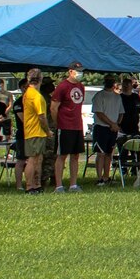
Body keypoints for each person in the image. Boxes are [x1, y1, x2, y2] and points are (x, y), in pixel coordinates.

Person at [51, 62, 87, 192]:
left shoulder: (81, 87)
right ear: (70, 71)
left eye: (81, 71)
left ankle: (73, 184)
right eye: (77, 71)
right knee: (62, 155)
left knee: (75, 155)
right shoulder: (62, 86)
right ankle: (59, 185)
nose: (79, 73)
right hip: (65, 125)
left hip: (77, 125)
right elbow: (54, 107)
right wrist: (57, 122)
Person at [20, 66, 50, 192]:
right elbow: (42, 117)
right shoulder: (37, 97)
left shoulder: (27, 94)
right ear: (41, 79)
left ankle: (36, 185)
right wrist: (48, 131)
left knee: (38, 158)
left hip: (33, 131)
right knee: (32, 159)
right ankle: (29, 186)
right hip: (35, 131)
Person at [91, 78, 125, 185]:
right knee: (100, 153)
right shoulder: (99, 96)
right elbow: (99, 113)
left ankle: (106, 177)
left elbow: (121, 112)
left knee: (109, 153)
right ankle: (99, 178)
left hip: (113, 129)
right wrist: (112, 124)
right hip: (101, 127)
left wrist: (117, 124)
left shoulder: (117, 96)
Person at [119, 77, 140, 178]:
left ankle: (135, 170)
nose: (126, 86)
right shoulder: (119, 97)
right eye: (124, 85)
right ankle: (123, 170)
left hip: (134, 128)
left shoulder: (136, 97)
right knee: (123, 150)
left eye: (128, 85)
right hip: (122, 129)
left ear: (131, 85)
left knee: (137, 150)